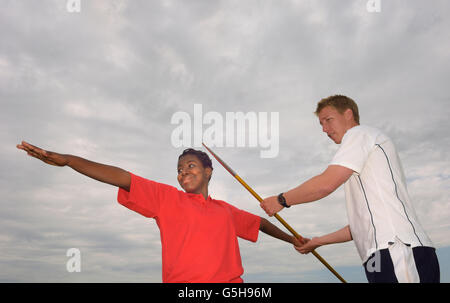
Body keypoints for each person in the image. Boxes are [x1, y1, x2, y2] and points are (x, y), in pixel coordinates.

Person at [17, 142, 303, 283]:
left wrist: (292, 240)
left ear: (208, 171)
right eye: (179, 169)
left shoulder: (225, 211)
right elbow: (120, 176)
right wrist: (68, 160)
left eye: (190, 166)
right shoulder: (167, 199)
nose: (182, 173)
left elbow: (261, 224)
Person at [260, 95, 440, 283]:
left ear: (348, 114)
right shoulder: (362, 166)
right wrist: (317, 242)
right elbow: (359, 227)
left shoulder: (359, 134)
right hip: (378, 254)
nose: (324, 129)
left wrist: (281, 200)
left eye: (328, 120)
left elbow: (326, 184)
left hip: (398, 248)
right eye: (321, 124)